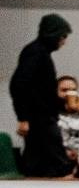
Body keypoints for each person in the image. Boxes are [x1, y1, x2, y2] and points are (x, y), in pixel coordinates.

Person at [8, 13, 74, 177]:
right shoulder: (37, 53)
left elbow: (37, 90)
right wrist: (22, 117)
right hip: (40, 119)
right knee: (59, 164)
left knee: (36, 162)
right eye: (63, 36)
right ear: (54, 34)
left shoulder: (38, 52)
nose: (64, 41)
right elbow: (18, 85)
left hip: (40, 118)